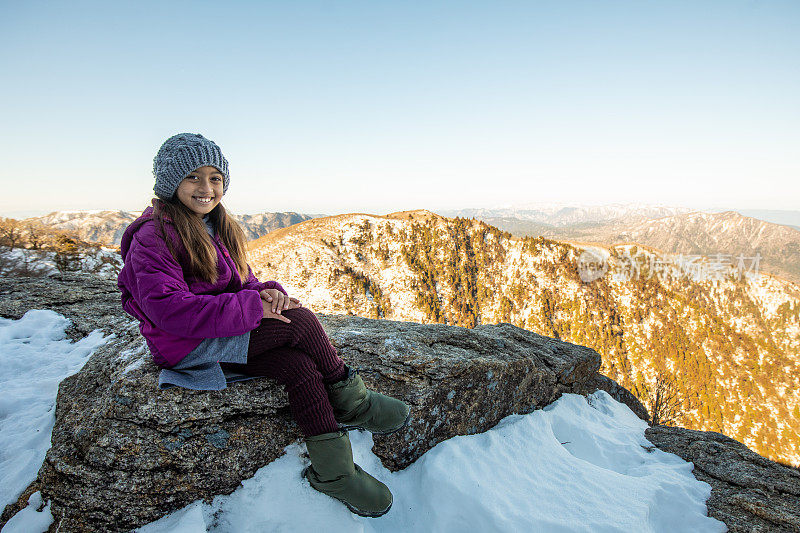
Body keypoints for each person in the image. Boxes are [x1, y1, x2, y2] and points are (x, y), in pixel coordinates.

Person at [117, 132, 410, 518]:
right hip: (188, 344)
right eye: (193, 177)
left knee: (300, 367)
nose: (206, 188)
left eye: (215, 178)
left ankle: (334, 473)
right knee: (300, 322)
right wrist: (252, 306)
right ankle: (353, 403)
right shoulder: (154, 235)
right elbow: (170, 311)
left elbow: (241, 281)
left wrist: (268, 293)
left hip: (219, 336)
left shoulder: (214, 225)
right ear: (171, 182)